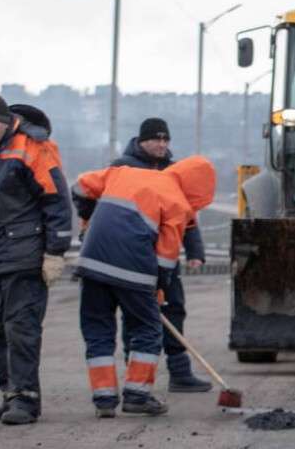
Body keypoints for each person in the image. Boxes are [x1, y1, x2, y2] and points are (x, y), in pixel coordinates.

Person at [72, 155, 215, 417]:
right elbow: (166, 255)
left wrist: (88, 216)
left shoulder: (124, 172)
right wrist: (159, 287)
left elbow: (80, 187)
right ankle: (137, 395)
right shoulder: (178, 202)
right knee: (148, 329)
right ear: (197, 188)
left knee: (97, 329)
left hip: (92, 263)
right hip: (134, 271)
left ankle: (104, 400)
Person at [0, 93, 72, 425]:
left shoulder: (33, 147)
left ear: (6, 122)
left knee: (21, 329)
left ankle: (26, 399)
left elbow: (57, 203)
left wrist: (55, 252)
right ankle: (10, 395)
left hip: (25, 256)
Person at [108, 118, 212, 393]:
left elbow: (185, 216)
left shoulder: (173, 172)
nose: (162, 145)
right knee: (134, 315)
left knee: (174, 308)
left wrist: (195, 250)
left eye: (166, 140)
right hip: (130, 256)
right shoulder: (122, 168)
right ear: (142, 141)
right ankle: (136, 375)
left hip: (165, 256)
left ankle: (180, 372)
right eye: (156, 139)